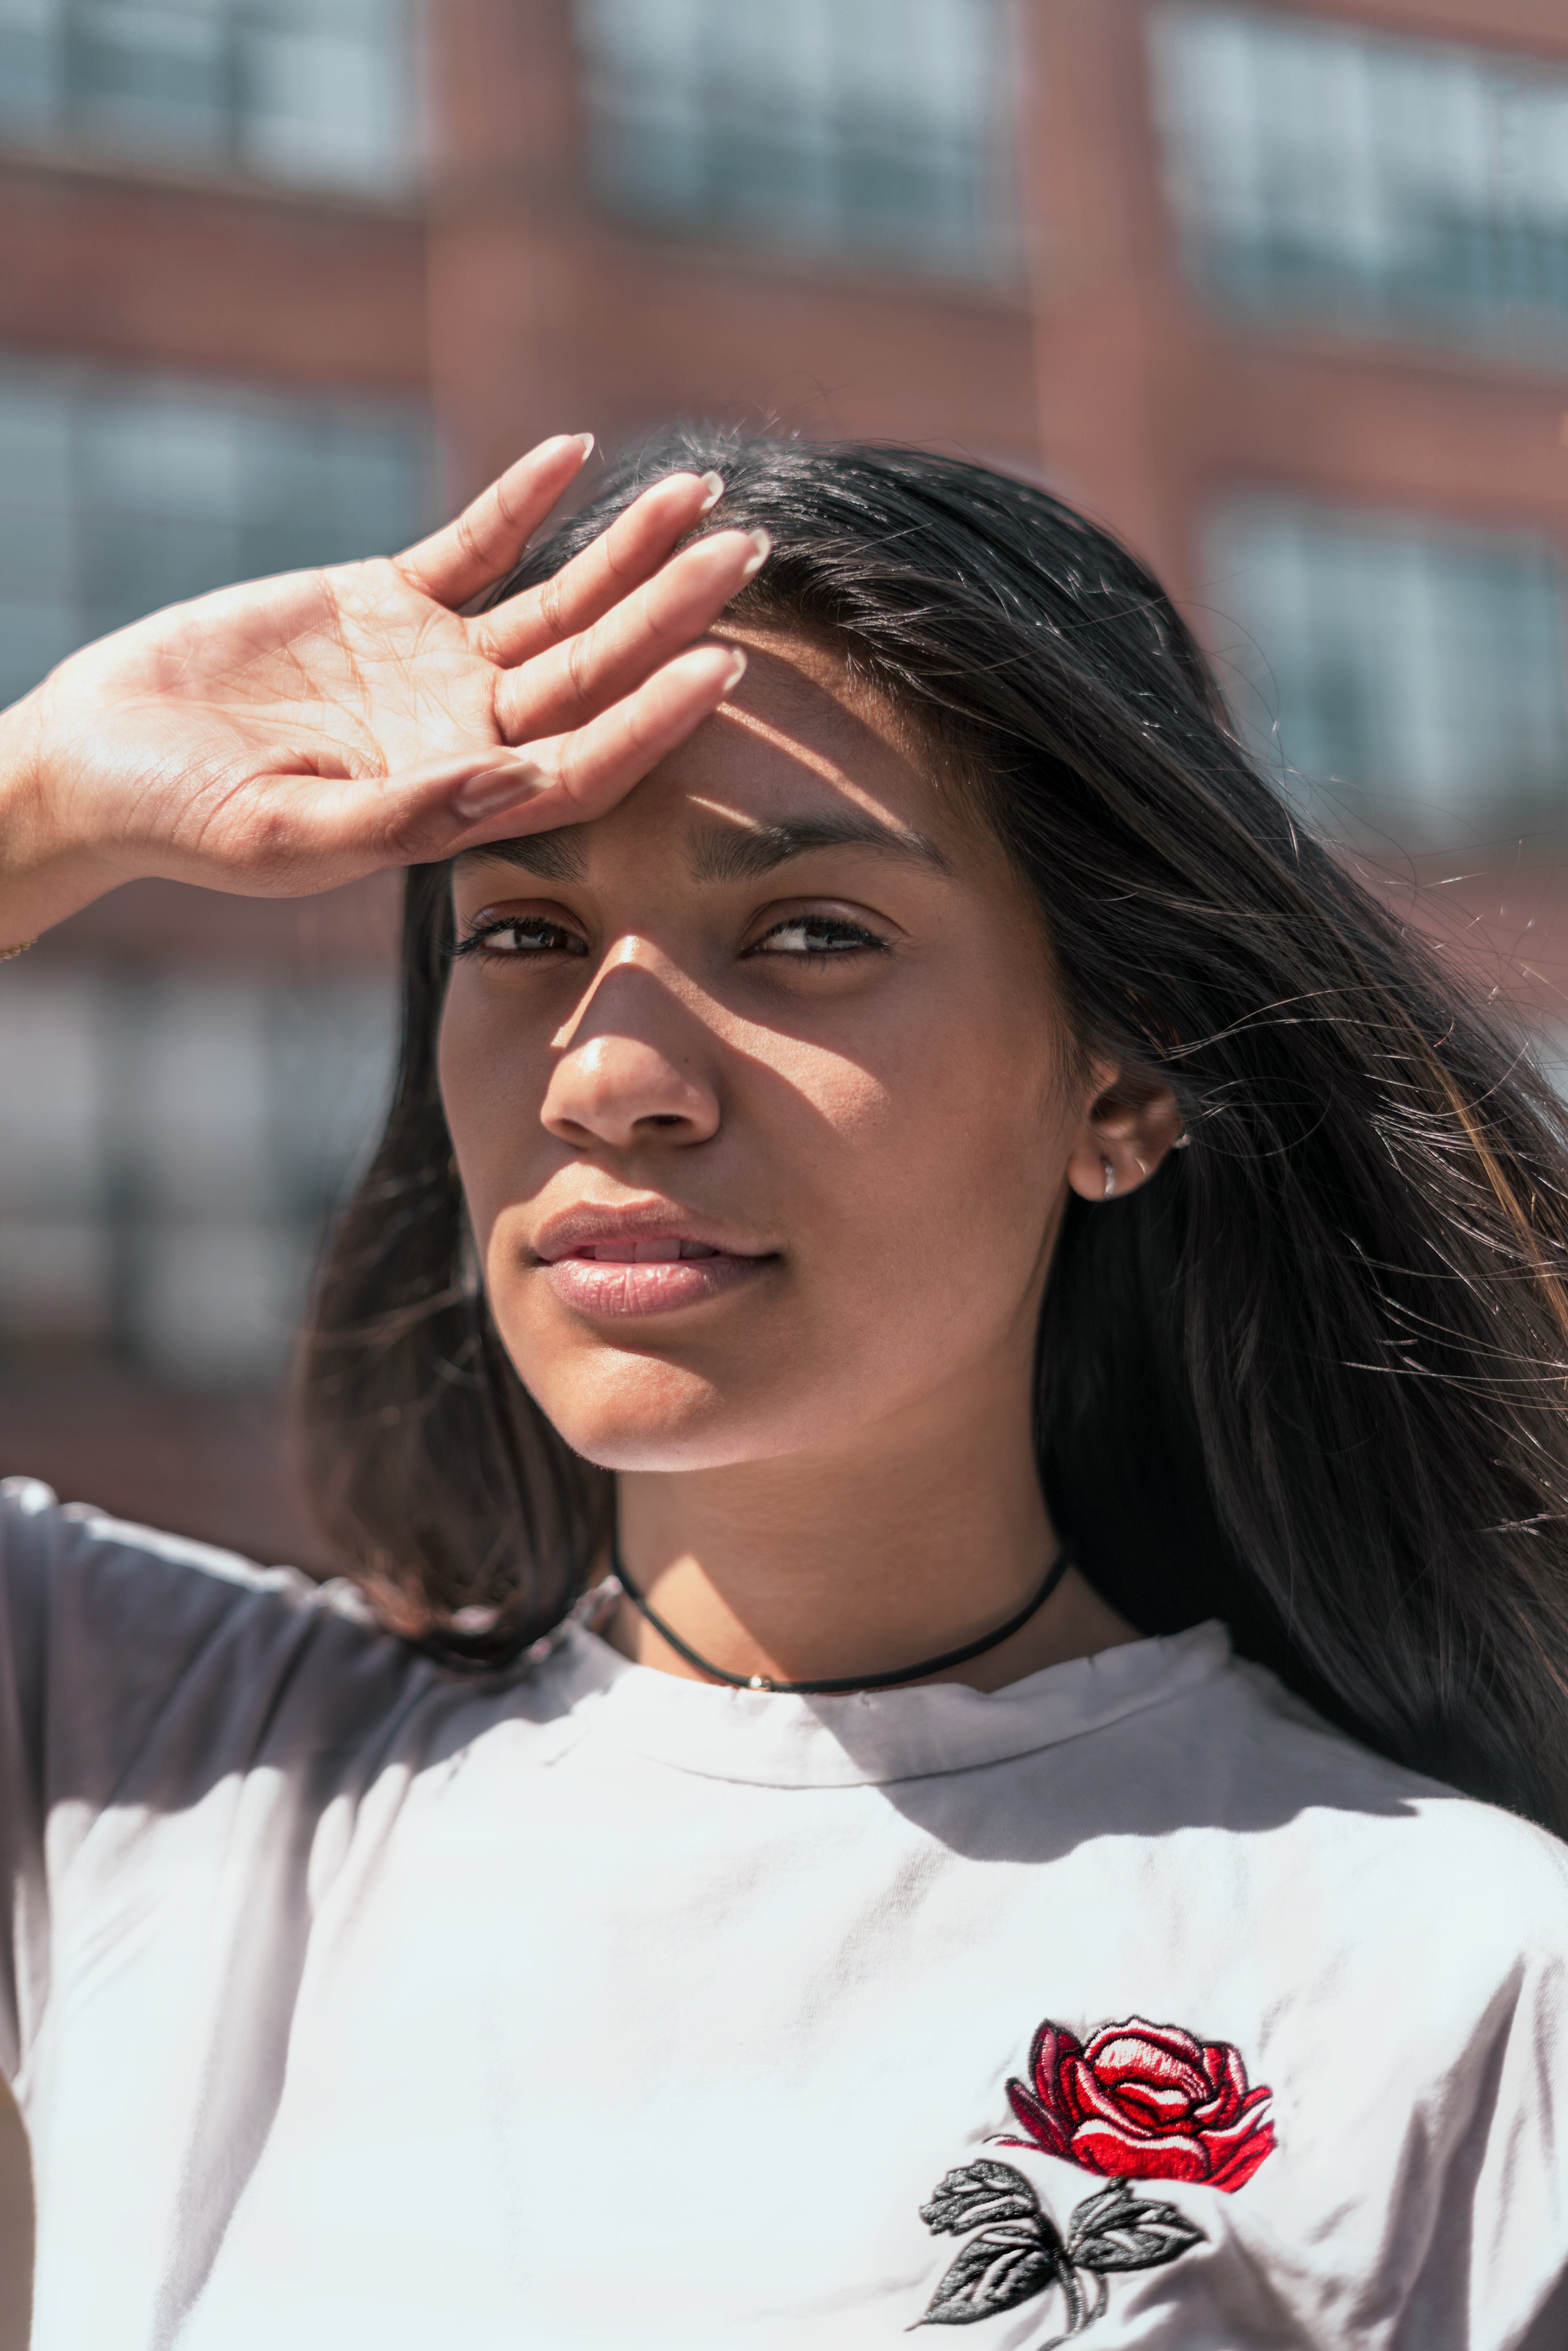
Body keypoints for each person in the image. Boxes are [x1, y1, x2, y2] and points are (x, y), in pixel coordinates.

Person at [1, 427, 1566, 2350]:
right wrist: (48, 791)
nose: (609, 1074)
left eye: (811, 934)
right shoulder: (147, 1768)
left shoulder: (1449, 1978)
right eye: (524, 933)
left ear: (1121, 1084)